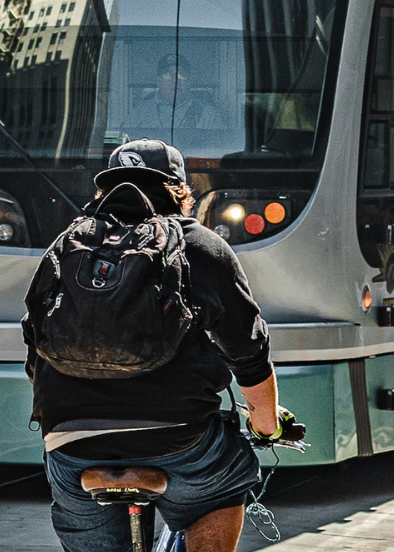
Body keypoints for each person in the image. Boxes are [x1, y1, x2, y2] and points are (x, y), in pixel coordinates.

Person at [25, 139, 282, 552]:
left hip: (73, 443)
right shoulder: (200, 245)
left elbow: (36, 345)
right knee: (223, 484)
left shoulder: (67, 244)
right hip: (180, 439)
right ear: (182, 192)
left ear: (103, 192)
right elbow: (249, 354)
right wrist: (266, 426)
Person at [125, 55, 225, 135]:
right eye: (168, 75)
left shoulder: (208, 114)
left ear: (190, 81)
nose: (175, 80)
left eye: (181, 75)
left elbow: (220, 147)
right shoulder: (139, 112)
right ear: (158, 82)